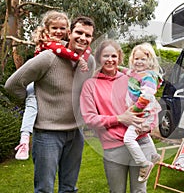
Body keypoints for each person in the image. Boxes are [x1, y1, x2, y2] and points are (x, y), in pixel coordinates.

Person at [5, 15, 96, 193]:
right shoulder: (48, 58)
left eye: (88, 35)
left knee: (69, 188)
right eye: (78, 32)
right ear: (69, 33)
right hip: (48, 135)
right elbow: (12, 84)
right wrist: (34, 101)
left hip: (76, 134)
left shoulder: (89, 62)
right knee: (44, 189)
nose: (82, 38)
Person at [80, 39, 158, 193]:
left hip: (141, 142)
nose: (110, 60)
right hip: (113, 147)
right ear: (98, 58)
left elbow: (150, 101)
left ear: (120, 58)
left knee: (140, 191)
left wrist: (150, 124)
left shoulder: (130, 78)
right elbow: (89, 119)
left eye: (114, 56)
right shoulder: (90, 85)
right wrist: (120, 118)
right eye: (105, 56)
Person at [14, 10, 91, 160]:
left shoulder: (60, 45)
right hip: (34, 84)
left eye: (62, 28)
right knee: (31, 107)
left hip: (72, 128)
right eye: (54, 28)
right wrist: (79, 59)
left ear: (67, 30)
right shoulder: (50, 46)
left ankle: (24, 139)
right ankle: (24, 140)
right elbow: (63, 52)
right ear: (47, 29)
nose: (58, 31)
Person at [119, 42, 162, 182]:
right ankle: (154, 155)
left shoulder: (148, 77)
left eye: (143, 59)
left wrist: (135, 111)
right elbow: (126, 71)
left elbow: (147, 96)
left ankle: (144, 164)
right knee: (142, 134)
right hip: (142, 113)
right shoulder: (136, 73)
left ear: (149, 61)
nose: (139, 62)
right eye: (136, 59)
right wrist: (114, 66)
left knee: (129, 138)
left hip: (143, 113)